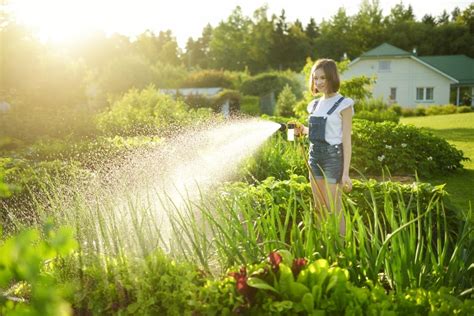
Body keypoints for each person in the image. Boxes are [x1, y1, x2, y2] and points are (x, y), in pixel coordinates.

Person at [294, 58, 354, 236]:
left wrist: (345, 173)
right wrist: (301, 130)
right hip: (314, 157)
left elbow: (346, 141)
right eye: (315, 78)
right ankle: (324, 245)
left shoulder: (344, 104)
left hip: (332, 158)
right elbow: (315, 131)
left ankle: (342, 248)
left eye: (323, 78)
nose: (318, 82)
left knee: (334, 207)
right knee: (319, 206)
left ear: (332, 78)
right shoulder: (314, 105)